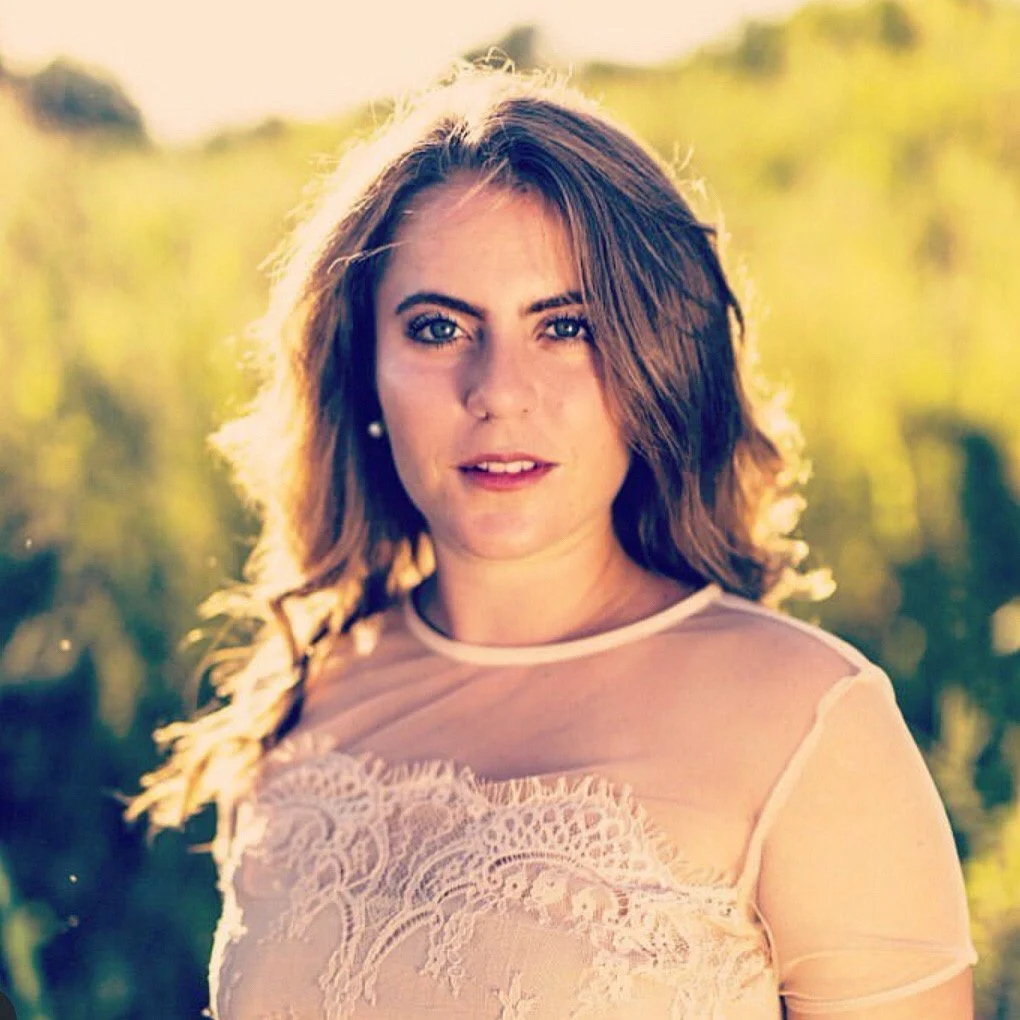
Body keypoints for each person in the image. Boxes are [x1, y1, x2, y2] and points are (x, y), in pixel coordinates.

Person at [126, 68, 977, 1019]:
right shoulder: (306, 703)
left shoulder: (809, 722)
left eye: (565, 326)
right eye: (439, 327)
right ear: (363, 371)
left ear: (656, 360)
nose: (499, 390)